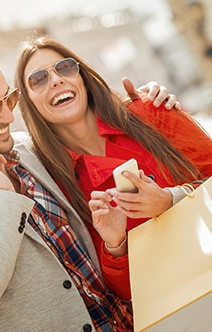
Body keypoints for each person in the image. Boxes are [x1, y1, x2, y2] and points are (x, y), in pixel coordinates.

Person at [0, 37, 179, 332]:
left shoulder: (28, 148)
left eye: (9, 99)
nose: (8, 116)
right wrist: (2, 198)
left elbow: (92, 129)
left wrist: (147, 106)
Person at [14, 35, 212, 302]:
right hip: (177, 305)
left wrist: (170, 199)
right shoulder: (58, 186)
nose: (56, 80)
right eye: (38, 79)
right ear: (29, 103)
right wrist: (115, 244)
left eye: (64, 68)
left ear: (82, 77)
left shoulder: (151, 111)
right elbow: (127, 294)